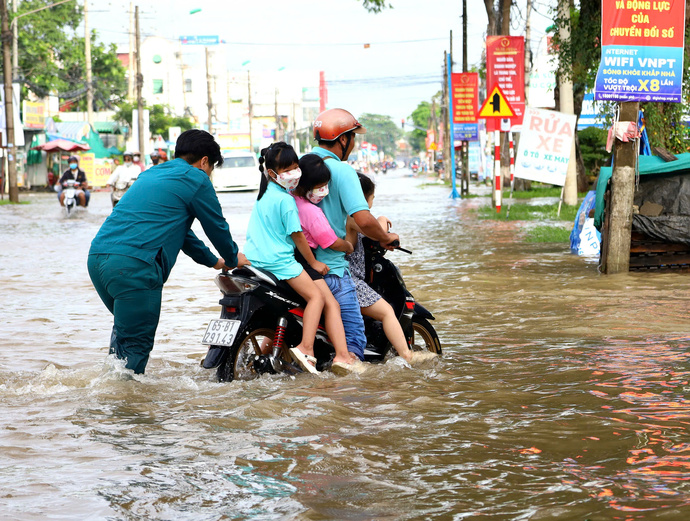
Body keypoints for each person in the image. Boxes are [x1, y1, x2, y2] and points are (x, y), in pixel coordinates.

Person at [88, 129, 249, 375]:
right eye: (211, 168)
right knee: (136, 346)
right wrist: (232, 257)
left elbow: (182, 233)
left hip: (99, 259)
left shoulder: (152, 173)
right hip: (135, 266)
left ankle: (110, 398)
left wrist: (215, 262)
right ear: (205, 161)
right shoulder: (197, 179)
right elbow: (216, 226)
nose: (210, 175)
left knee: (124, 339)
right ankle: (128, 410)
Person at [309, 108, 399, 361]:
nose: (354, 143)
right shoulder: (342, 171)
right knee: (353, 342)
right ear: (343, 139)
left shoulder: (303, 164)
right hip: (333, 266)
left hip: (298, 263)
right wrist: (384, 237)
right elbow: (363, 218)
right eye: (353, 137)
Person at [242, 142, 330, 374]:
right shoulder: (286, 201)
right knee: (317, 298)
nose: (293, 173)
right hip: (279, 262)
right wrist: (314, 263)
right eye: (287, 169)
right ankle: (306, 348)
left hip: (255, 260)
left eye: (295, 167)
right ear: (272, 173)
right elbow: (298, 236)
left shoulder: (264, 195)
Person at [346, 173, 437, 365]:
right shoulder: (353, 216)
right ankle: (407, 354)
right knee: (387, 311)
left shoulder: (335, 212)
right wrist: (382, 219)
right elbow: (373, 229)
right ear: (363, 198)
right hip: (349, 278)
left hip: (333, 274)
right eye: (371, 199)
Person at [291, 153, 359, 370]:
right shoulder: (311, 211)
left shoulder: (285, 200)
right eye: (321, 185)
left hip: (279, 260)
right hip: (309, 263)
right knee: (331, 305)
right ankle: (341, 356)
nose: (324, 190)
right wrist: (348, 246)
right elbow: (330, 241)